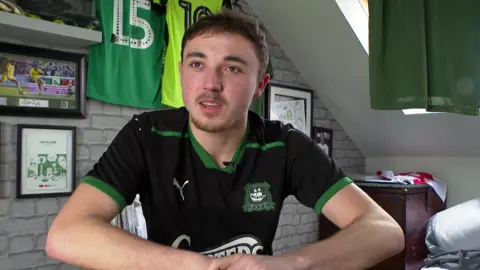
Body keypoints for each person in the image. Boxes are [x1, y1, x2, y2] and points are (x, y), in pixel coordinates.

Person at [46, 8, 404, 270]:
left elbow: (385, 231)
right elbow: (65, 235)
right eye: (197, 64)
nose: (211, 84)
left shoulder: (285, 145)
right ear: (182, 71)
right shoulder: (147, 134)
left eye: (232, 68)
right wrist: (191, 266)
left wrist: (291, 264)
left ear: (260, 86)